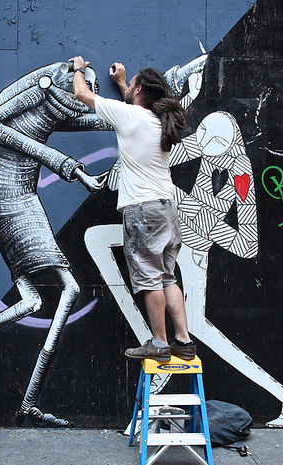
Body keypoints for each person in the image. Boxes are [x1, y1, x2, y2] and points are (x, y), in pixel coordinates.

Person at [70, 56, 196, 362]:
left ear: (139, 90)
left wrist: (78, 69)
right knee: (167, 277)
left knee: (150, 279)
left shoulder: (129, 116)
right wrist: (124, 83)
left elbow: (82, 93)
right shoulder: (158, 122)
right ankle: (183, 341)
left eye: (133, 85)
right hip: (166, 208)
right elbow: (132, 104)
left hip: (143, 211)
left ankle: (160, 344)